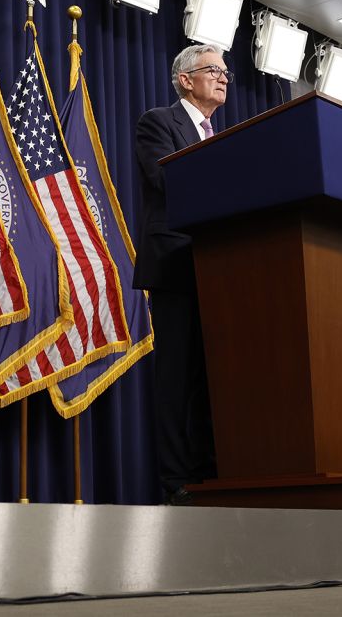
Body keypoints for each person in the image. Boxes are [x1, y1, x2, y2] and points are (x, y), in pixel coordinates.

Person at [133, 44, 232, 505]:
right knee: (177, 377)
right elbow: (164, 180)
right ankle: (177, 482)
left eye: (226, 72)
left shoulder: (226, 135)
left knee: (215, 377)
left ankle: (213, 473)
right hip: (176, 263)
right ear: (185, 80)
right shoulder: (159, 122)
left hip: (221, 267)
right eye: (214, 70)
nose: (224, 77)